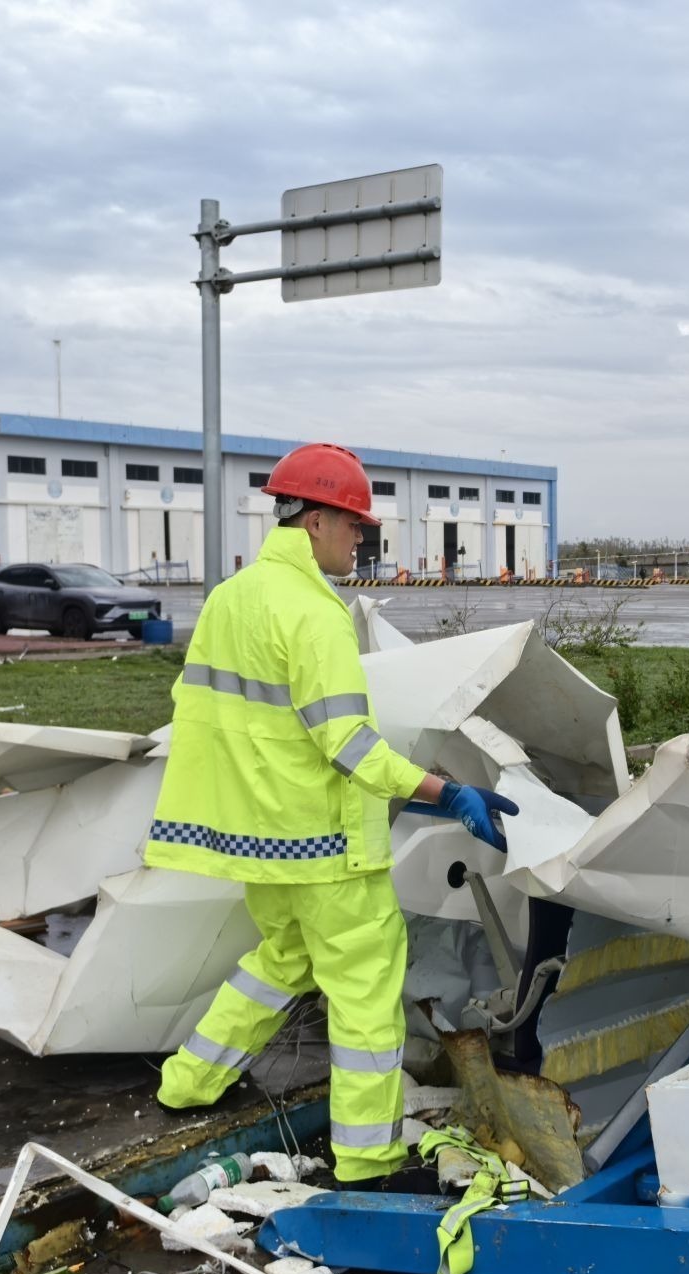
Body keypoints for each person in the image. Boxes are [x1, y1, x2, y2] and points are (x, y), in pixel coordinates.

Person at [144, 442, 518, 1187]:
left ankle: (188, 1082)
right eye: (353, 525)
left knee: (281, 961)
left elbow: (214, 722)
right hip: (326, 848)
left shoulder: (230, 598)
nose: (361, 541)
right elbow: (349, 746)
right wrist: (447, 793)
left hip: (260, 843)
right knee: (366, 998)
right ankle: (368, 1159)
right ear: (313, 520)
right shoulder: (315, 614)